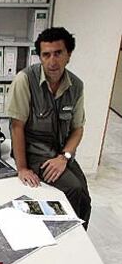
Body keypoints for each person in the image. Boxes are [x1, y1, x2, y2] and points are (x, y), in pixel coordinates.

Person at [7, 27, 91, 229]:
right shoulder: (25, 80)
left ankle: (79, 239)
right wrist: (23, 168)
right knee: (74, 189)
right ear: (40, 57)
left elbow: (77, 128)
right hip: (34, 153)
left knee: (85, 197)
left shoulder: (76, 86)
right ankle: (65, 237)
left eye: (58, 53)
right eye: (46, 55)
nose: (52, 61)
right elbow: (16, 126)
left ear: (68, 55)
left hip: (61, 153)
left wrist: (65, 157)